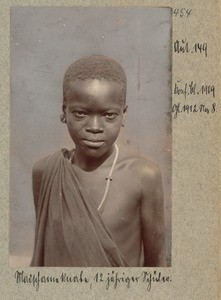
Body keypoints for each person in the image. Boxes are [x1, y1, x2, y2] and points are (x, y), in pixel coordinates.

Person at [31, 54, 166, 267]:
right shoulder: (46, 172)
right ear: (63, 111)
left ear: (124, 115)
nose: (94, 126)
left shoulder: (144, 176)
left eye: (109, 115)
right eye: (81, 113)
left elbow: (157, 268)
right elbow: (47, 254)